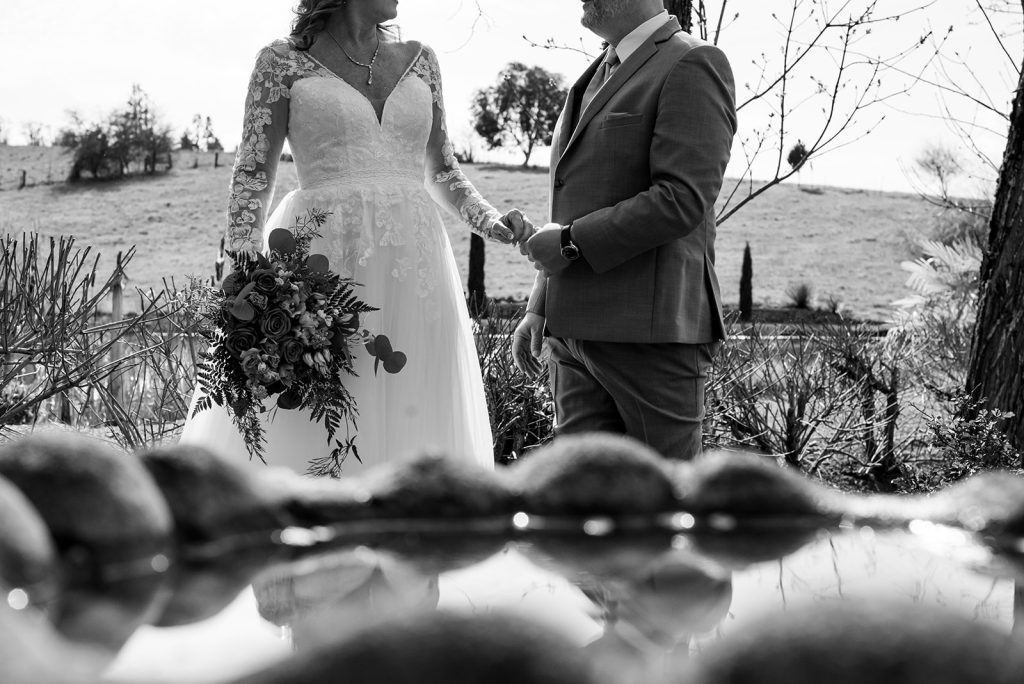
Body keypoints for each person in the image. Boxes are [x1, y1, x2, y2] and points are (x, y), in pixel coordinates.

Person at [180, 0, 530, 476]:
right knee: (321, 406)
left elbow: (442, 169)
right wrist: (248, 276)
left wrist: (491, 222)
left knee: (416, 400)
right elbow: (252, 176)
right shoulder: (281, 61)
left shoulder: (421, 58)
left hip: (417, 267)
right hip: (320, 264)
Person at [512, 0, 737, 461]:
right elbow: (573, 200)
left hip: (650, 337)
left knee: (665, 505)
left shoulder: (692, 62)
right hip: (571, 336)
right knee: (582, 512)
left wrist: (571, 243)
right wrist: (540, 304)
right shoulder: (593, 74)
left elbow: (681, 198)